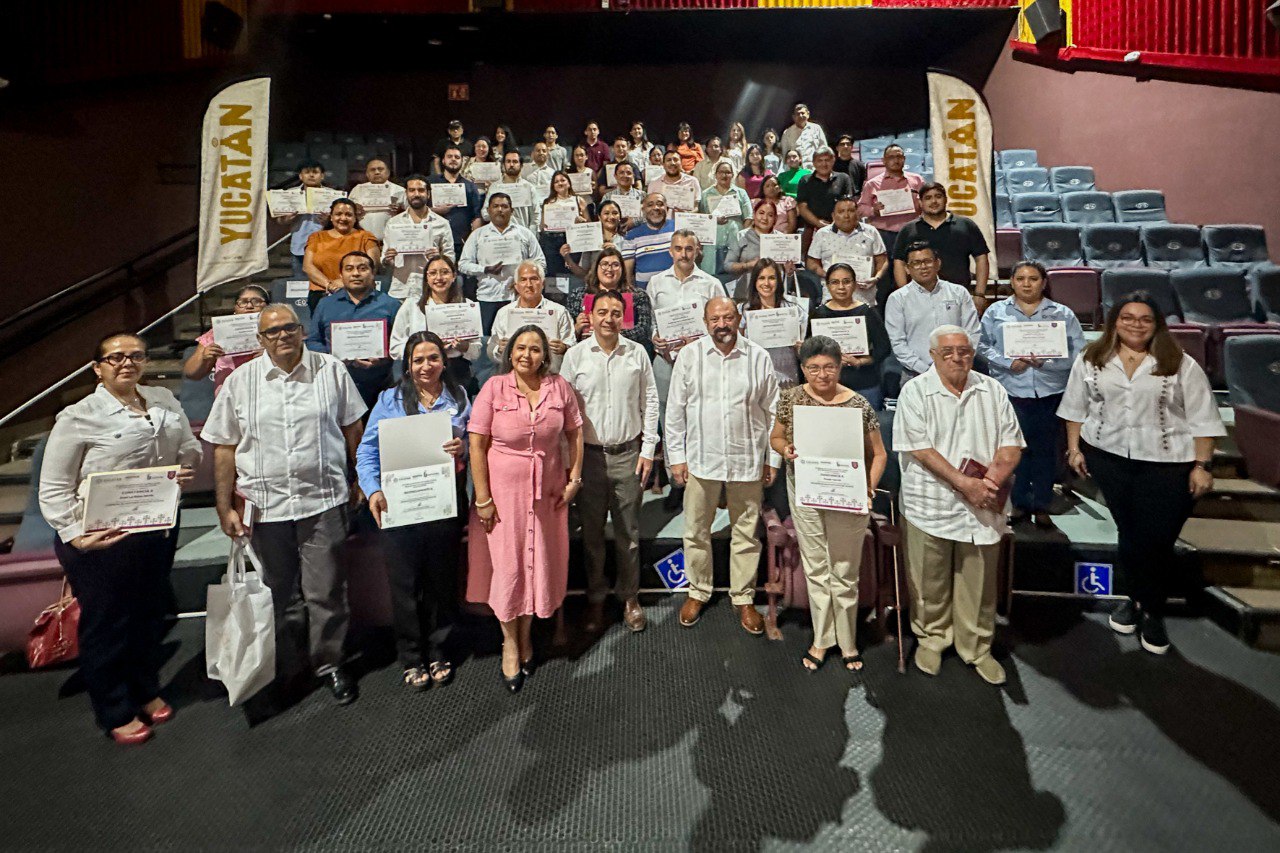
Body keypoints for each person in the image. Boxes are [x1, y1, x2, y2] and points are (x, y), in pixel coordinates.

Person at [39, 332, 200, 744]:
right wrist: (75, 536)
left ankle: (144, 688)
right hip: (101, 536)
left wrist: (183, 466)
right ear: (98, 368)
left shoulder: (163, 399)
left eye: (135, 355)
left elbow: (188, 446)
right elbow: (54, 487)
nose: (127, 363)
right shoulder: (78, 417)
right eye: (115, 358)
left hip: (156, 525)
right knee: (109, 623)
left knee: (148, 614)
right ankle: (114, 707)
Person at [203, 304, 367, 705]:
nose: (282, 336)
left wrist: (361, 477)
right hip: (265, 506)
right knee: (278, 594)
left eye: (289, 328)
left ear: (302, 330)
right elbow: (224, 448)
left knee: (326, 591)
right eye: (272, 332)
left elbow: (353, 428)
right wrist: (224, 506)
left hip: (323, 500)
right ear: (260, 339)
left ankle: (329, 664)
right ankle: (287, 667)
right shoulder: (240, 382)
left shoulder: (332, 370)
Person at [1058, 293, 1224, 655]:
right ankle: (1139, 603)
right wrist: (1074, 448)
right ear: (1114, 322)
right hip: (1109, 458)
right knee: (1130, 533)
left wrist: (1202, 466)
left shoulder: (1179, 362)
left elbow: (1203, 418)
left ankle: (1150, 607)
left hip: (1168, 463)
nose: (1136, 324)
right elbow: (1075, 407)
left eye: (1145, 319)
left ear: (1157, 324)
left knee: (1157, 539)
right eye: (1127, 317)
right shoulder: (1091, 358)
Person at [893, 324, 1025, 685]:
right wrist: (965, 484)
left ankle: (976, 647)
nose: (957, 358)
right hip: (930, 502)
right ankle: (932, 638)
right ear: (933, 356)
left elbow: (1011, 444)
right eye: (947, 352)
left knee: (979, 582)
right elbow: (919, 449)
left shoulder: (993, 390)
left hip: (984, 502)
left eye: (963, 351)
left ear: (972, 354)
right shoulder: (915, 391)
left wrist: (990, 484)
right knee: (928, 578)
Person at [467, 324, 584, 692]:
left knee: (537, 565)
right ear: (510, 352)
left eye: (535, 349)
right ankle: (510, 644)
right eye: (520, 347)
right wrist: (483, 498)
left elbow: (575, 432)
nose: (526, 355)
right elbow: (476, 445)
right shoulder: (493, 388)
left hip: (547, 494)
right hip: (503, 497)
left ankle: (527, 633)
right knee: (509, 568)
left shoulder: (559, 387)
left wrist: (574, 478)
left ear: (545, 355)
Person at [357, 331, 470, 691]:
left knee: (441, 578)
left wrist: (463, 448)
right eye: (418, 360)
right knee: (405, 582)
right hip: (400, 503)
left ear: (444, 361)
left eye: (433, 358)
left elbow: (473, 441)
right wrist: (372, 489)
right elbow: (366, 451)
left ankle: (439, 649)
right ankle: (410, 655)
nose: (426, 366)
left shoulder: (458, 396)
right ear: (407, 365)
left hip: (444, 499)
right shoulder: (389, 400)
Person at [770, 335, 887, 672]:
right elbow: (776, 437)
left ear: (840, 367)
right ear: (803, 368)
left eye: (829, 367)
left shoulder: (858, 404)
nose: (822, 375)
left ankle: (847, 639)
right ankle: (822, 638)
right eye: (814, 368)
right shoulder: (791, 398)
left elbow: (879, 454)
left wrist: (868, 487)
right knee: (817, 567)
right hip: (805, 493)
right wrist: (785, 449)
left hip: (848, 496)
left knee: (845, 570)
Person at [667, 297, 780, 635]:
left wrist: (771, 458)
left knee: (746, 534)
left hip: (747, 459)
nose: (722, 325)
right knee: (695, 531)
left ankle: (743, 597)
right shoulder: (690, 357)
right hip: (702, 460)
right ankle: (698, 591)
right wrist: (677, 457)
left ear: (738, 319)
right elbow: (675, 412)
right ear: (705, 322)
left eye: (728, 317)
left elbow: (774, 412)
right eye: (715, 319)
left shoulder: (758, 357)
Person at [561, 290, 660, 634]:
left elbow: (650, 400)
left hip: (628, 455)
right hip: (587, 457)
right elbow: (565, 410)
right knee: (591, 534)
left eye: (615, 313)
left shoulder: (637, 353)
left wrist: (648, 449)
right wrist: (569, 461)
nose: (608, 318)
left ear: (624, 317)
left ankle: (629, 597)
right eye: (602, 312)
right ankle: (596, 597)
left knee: (628, 533)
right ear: (591, 316)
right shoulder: (575, 356)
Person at [977, 261, 1086, 526]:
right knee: (1015, 450)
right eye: (1021, 279)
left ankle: (1041, 504)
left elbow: (1079, 353)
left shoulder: (1062, 313)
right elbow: (982, 345)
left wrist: (1047, 363)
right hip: (1011, 391)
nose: (1027, 284)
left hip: (1050, 392)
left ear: (1044, 282)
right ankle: (1018, 503)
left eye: (1033, 279)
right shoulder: (996, 312)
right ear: (1012, 282)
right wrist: (1007, 362)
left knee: (1045, 452)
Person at [306, 251, 401, 408]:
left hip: (380, 386)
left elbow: (401, 343)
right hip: (335, 385)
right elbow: (313, 341)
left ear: (373, 273)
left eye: (362, 268)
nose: (356, 273)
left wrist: (384, 358)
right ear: (341, 275)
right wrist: (333, 357)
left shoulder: (391, 305)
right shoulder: (325, 305)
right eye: (349, 269)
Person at [884, 242, 979, 381]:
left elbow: (972, 333)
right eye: (916, 263)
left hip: (958, 369)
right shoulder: (897, 299)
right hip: (916, 374)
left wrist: (961, 361)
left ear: (938, 263)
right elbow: (897, 343)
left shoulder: (959, 293)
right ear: (907, 269)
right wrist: (927, 370)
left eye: (927, 261)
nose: (923, 267)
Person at [458, 192, 546, 334]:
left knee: (519, 337)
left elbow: (540, 262)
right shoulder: (477, 235)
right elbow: (463, 264)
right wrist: (485, 269)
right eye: (496, 206)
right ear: (488, 210)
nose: (500, 210)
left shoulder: (525, 234)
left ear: (512, 210)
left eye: (504, 206)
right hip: (488, 297)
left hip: (518, 298)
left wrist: (522, 280)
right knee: (488, 340)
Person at [388, 255, 481, 389]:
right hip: (421, 370)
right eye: (432, 273)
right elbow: (395, 347)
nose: (439, 278)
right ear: (426, 278)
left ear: (454, 276)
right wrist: (423, 350)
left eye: (445, 272)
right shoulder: (411, 306)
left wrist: (464, 347)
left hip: (456, 371)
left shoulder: (467, 306)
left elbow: (476, 351)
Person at [893, 182, 991, 306]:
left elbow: (981, 258)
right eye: (928, 198)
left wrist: (979, 294)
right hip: (919, 299)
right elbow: (899, 262)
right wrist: (905, 294)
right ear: (920, 202)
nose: (934, 201)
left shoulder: (966, 225)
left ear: (946, 199)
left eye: (938, 196)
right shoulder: (908, 230)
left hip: (959, 297)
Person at [811, 263, 891, 409]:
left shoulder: (867, 312)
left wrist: (860, 361)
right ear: (827, 286)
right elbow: (811, 352)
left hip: (865, 384)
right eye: (835, 282)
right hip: (828, 385)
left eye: (846, 281)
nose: (841, 287)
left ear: (854, 284)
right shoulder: (818, 314)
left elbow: (883, 347)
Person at [487, 261, 575, 375]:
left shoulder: (559, 311)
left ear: (543, 283)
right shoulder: (503, 313)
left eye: (534, 279)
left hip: (549, 376)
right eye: (523, 280)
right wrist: (499, 349)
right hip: (514, 377)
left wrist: (564, 348)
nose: (529, 284)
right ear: (516, 286)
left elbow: (573, 347)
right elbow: (491, 351)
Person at [566, 244, 654, 356]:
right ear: (596, 268)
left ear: (622, 269)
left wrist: (607, 335)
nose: (609, 269)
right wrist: (577, 328)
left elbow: (643, 331)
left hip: (627, 354)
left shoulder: (638, 296)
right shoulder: (578, 295)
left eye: (615, 265)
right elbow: (568, 336)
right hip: (588, 355)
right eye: (604, 264)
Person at [184, 284, 270, 394]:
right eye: (243, 302)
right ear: (235, 308)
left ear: (268, 307)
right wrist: (205, 358)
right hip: (229, 396)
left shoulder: (278, 331)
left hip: (267, 393)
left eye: (256, 301)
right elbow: (191, 373)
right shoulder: (216, 333)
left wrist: (273, 355)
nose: (249, 306)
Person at [383, 173, 456, 301]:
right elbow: (384, 259)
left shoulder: (442, 223)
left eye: (421, 190)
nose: (416, 194)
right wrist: (388, 259)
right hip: (400, 290)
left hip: (431, 291)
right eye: (412, 190)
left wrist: (439, 258)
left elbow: (450, 258)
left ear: (428, 194)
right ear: (406, 194)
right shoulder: (393, 223)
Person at [302, 198, 382, 314]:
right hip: (321, 294)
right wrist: (330, 285)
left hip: (359, 294)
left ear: (355, 218)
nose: (343, 218)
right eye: (338, 214)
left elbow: (373, 265)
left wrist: (344, 282)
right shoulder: (316, 237)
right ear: (331, 217)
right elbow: (307, 266)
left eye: (348, 215)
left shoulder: (366, 237)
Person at [806, 196, 886, 305]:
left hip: (864, 297)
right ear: (833, 215)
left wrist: (876, 278)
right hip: (832, 298)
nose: (846, 216)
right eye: (841, 212)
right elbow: (811, 263)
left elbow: (882, 261)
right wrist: (830, 276)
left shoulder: (871, 232)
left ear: (857, 213)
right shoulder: (822, 234)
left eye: (851, 211)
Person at [739, 258, 806, 388]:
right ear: (754, 281)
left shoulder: (793, 310)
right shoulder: (743, 310)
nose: (766, 283)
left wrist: (800, 347)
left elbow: (802, 348)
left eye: (772, 278)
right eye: (761, 278)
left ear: (778, 281)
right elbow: (739, 346)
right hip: (754, 375)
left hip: (787, 374)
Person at [857, 143, 925, 258]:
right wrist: (873, 210)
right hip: (884, 234)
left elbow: (926, 202)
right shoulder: (872, 184)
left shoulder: (917, 180)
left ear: (904, 159)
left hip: (912, 231)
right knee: (887, 267)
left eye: (899, 157)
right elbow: (860, 208)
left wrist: (921, 204)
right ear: (883, 161)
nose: (896, 160)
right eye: (891, 157)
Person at [273, 159, 331, 278]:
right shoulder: (289, 194)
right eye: (307, 172)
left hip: (326, 247)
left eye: (315, 172)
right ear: (300, 176)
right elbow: (280, 221)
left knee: (326, 283)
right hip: (299, 246)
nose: (311, 175)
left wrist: (328, 221)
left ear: (322, 176)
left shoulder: (332, 195)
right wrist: (288, 219)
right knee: (299, 284)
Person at [429, 146, 485, 257]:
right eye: (449, 156)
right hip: (434, 242)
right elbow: (420, 210)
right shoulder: (430, 183)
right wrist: (437, 210)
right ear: (443, 160)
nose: (453, 159)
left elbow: (477, 216)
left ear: (462, 162)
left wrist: (472, 240)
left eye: (457, 157)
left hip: (461, 242)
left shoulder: (470, 186)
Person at [700, 160, 752, 275]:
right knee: (711, 275)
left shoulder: (741, 193)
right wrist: (713, 220)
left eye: (728, 172)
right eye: (721, 172)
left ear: (732, 175)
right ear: (715, 174)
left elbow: (748, 217)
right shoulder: (706, 194)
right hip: (712, 245)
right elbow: (701, 219)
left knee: (734, 276)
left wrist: (742, 238)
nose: (724, 175)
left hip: (735, 242)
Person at [796, 147, 854, 249]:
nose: (824, 164)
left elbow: (848, 204)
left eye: (827, 160)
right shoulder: (805, 180)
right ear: (814, 163)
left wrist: (836, 224)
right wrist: (818, 223)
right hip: (812, 230)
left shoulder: (843, 178)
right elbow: (802, 207)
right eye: (820, 161)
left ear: (833, 160)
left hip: (840, 229)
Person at [539, 170, 591, 278]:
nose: (560, 183)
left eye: (563, 180)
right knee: (554, 273)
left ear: (569, 183)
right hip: (552, 241)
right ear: (553, 186)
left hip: (572, 240)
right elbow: (542, 227)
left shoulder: (578, 200)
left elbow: (589, 224)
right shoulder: (548, 202)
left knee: (572, 271)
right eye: (556, 181)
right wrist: (546, 226)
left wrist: (582, 222)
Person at [622, 193, 676, 289]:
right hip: (644, 292)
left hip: (675, 289)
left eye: (660, 204)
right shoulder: (632, 235)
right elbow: (627, 270)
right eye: (650, 205)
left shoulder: (678, 227)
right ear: (643, 210)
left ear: (667, 208)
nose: (656, 208)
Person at [563, 198, 626, 281]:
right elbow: (583, 274)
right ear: (599, 217)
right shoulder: (592, 239)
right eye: (606, 213)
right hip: (595, 286)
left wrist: (616, 252)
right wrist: (567, 257)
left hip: (619, 285)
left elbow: (630, 270)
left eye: (615, 213)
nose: (611, 217)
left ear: (620, 217)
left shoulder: (628, 239)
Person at [347, 158, 405, 242]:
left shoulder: (400, 191)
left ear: (388, 172)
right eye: (372, 170)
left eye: (380, 169)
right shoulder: (357, 189)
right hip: (361, 240)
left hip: (391, 241)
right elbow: (347, 214)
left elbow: (410, 214)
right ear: (367, 174)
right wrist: (353, 210)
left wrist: (400, 211)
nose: (377, 172)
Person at [483, 150, 539, 230]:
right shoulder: (495, 187)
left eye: (515, 161)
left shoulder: (529, 187)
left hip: (521, 233)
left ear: (521, 165)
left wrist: (531, 234)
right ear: (503, 165)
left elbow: (535, 215)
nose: (511, 164)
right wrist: (497, 211)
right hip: (499, 233)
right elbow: (485, 214)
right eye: (508, 161)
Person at [651, 148, 702, 215]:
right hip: (661, 221)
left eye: (675, 160)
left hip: (684, 220)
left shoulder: (692, 181)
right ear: (663, 164)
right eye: (669, 160)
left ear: (681, 163)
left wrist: (686, 214)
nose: (672, 163)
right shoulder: (654, 183)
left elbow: (696, 208)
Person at [600, 162, 645, 232]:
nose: (625, 175)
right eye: (621, 173)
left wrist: (635, 221)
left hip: (639, 233)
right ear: (615, 176)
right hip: (615, 233)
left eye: (629, 173)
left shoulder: (643, 195)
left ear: (633, 176)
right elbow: (602, 217)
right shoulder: (608, 197)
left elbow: (649, 216)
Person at [781, 103, 828, 169]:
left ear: (808, 114)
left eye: (803, 113)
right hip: (796, 171)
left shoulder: (816, 129)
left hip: (814, 169)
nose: (800, 116)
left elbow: (824, 149)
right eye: (798, 114)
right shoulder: (787, 133)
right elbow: (785, 154)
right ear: (793, 117)